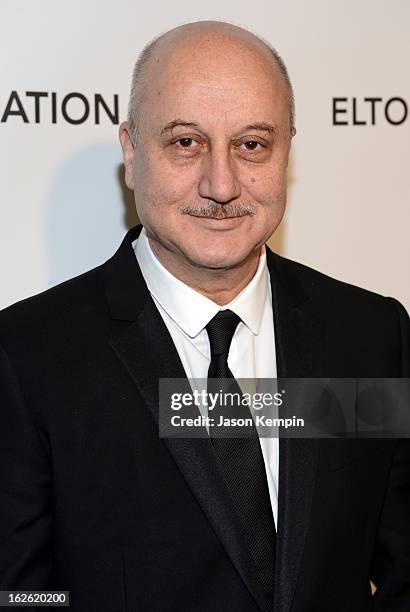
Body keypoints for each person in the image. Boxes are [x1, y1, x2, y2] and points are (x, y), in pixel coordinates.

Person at [0, 20, 409, 612]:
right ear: (132, 153)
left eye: (252, 145)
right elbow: (20, 596)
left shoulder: (371, 338)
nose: (222, 183)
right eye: (186, 142)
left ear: (286, 152)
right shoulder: (27, 359)